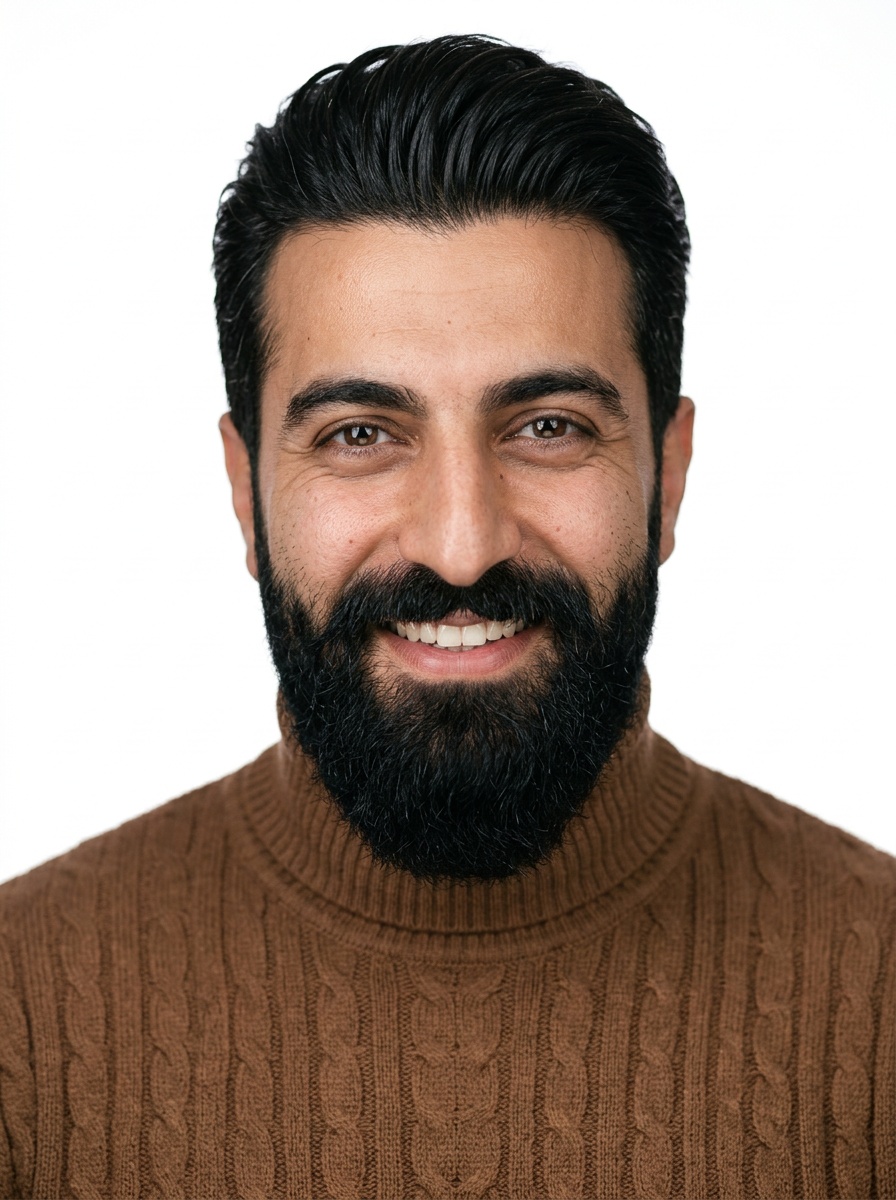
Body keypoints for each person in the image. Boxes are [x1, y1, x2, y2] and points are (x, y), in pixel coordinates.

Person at [0, 33, 893, 1200]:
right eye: (359, 435)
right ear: (244, 491)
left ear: (666, 477)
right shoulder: (21, 1014)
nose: (460, 545)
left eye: (548, 427)